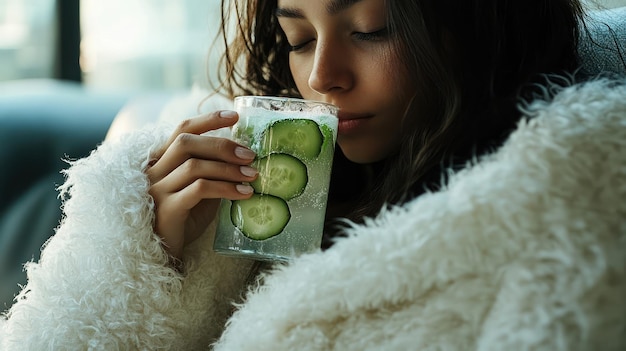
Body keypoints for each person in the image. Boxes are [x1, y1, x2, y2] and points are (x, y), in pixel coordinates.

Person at [1, 0, 625, 349]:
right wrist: (152, 255)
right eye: (298, 37)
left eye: (368, 30)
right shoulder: (262, 172)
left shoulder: (567, 215)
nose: (323, 76)